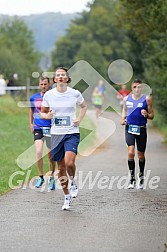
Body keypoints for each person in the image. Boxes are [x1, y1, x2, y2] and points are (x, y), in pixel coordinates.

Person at [40, 67, 87, 210]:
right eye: (58, 75)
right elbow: (43, 113)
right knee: (60, 168)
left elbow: (84, 106)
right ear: (54, 79)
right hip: (56, 134)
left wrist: (79, 118)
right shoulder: (49, 95)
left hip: (72, 132)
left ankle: (72, 181)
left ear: (67, 78)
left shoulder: (75, 93)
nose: (60, 77)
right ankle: (66, 196)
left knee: (69, 162)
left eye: (63, 75)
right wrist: (48, 116)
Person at [121, 79, 154, 189]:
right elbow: (124, 110)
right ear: (132, 88)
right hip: (129, 128)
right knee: (131, 153)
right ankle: (132, 178)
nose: (137, 89)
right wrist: (123, 119)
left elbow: (152, 115)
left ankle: (141, 175)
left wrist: (147, 114)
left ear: (142, 88)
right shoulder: (127, 99)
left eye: (139, 87)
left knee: (141, 155)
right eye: (135, 87)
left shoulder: (147, 99)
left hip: (141, 129)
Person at [29, 76, 55, 190]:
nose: (43, 86)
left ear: (49, 84)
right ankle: (41, 177)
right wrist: (31, 123)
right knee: (39, 151)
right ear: (39, 85)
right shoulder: (34, 97)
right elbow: (31, 110)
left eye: (45, 84)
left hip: (50, 128)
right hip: (38, 127)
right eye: (41, 84)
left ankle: (52, 177)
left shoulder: (53, 97)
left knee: (51, 155)